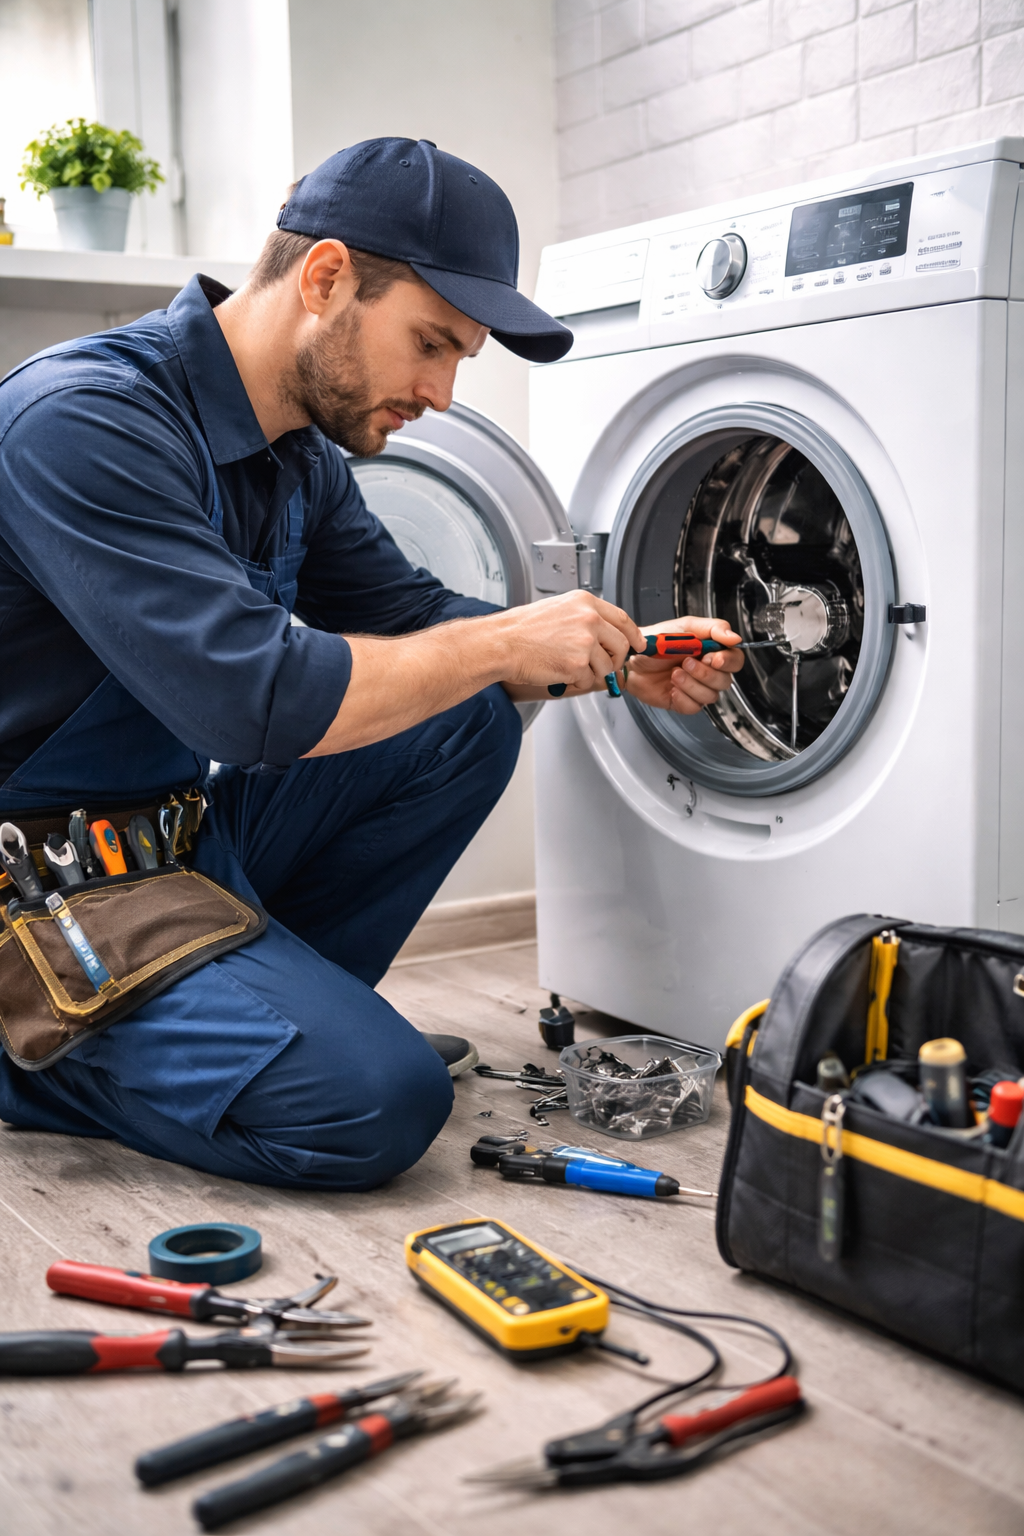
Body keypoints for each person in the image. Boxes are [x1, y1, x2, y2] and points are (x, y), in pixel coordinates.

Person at [0, 138, 743, 1190]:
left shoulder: (296, 452)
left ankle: (289, 1017)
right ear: (326, 277)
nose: (439, 392)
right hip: (37, 898)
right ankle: (34, 1055)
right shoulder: (83, 421)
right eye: (429, 343)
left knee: (463, 714)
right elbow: (247, 700)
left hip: (174, 855)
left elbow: (410, 619)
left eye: (459, 360)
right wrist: (501, 641)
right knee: (380, 1107)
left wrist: (613, 665)